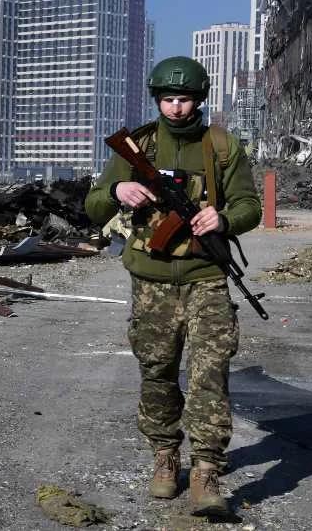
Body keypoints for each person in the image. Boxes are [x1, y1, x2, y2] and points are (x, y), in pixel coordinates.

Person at [84, 56, 261, 517]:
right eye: (168, 99)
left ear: (198, 100)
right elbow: (94, 206)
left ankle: (206, 468)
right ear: (157, 99)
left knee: (210, 373)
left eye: (183, 99)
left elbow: (249, 205)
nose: (176, 108)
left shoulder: (221, 146)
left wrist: (223, 217)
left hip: (205, 278)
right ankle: (165, 457)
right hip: (152, 280)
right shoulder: (135, 147)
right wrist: (118, 192)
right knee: (158, 371)